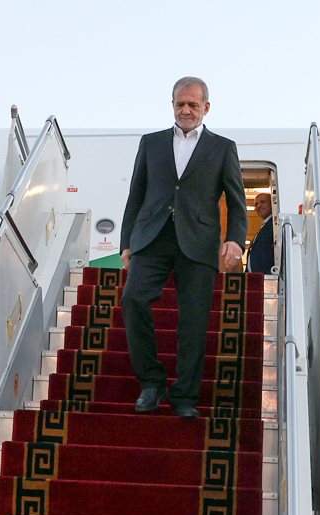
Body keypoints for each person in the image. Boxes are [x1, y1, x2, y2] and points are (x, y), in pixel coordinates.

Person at [119, 77, 248, 418]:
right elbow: (136, 194)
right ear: (173, 105)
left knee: (193, 323)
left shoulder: (223, 148)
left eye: (193, 104)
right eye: (180, 104)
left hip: (199, 243)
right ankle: (151, 383)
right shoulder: (151, 143)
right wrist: (127, 243)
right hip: (152, 238)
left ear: (206, 107)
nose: (186, 110)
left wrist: (235, 238)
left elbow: (236, 202)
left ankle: (185, 397)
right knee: (133, 300)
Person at [246, 193, 274, 274]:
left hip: (266, 278)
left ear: (272, 203)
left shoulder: (274, 225)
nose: (258, 206)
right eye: (256, 204)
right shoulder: (265, 226)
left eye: (263, 202)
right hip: (255, 278)